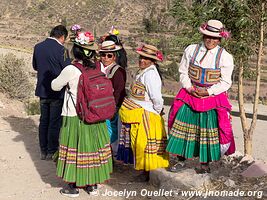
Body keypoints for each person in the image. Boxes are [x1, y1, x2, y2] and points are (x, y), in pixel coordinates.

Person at [167, 19, 236, 174]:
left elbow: (225, 82)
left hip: (211, 96)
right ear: (203, 36)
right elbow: (183, 71)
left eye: (214, 38)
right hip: (190, 93)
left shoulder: (225, 57)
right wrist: (189, 87)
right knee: (184, 126)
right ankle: (181, 159)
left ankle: (204, 164)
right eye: (207, 36)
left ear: (219, 39)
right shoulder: (191, 50)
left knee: (207, 129)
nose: (210, 40)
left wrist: (208, 92)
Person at [51, 26, 112, 197]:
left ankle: (72, 187)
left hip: (75, 116)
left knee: (75, 149)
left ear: (76, 51)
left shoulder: (71, 69)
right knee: (92, 150)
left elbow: (55, 86)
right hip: (95, 116)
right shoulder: (97, 69)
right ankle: (92, 185)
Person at [118, 44, 169, 181]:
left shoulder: (151, 75)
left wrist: (156, 112)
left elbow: (156, 98)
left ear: (153, 61)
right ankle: (143, 171)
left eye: (146, 59)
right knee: (137, 143)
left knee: (143, 144)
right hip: (139, 113)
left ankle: (146, 172)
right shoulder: (143, 73)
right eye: (141, 57)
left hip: (146, 115)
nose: (142, 60)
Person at [32, 25, 71, 160]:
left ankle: (43, 150)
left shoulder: (38, 47)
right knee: (54, 122)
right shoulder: (62, 50)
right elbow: (67, 70)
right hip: (57, 92)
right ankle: (51, 150)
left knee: (44, 120)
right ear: (62, 37)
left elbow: (35, 66)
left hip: (43, 90)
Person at [99, 40, 127, 158]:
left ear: (114, 57)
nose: (106, 58)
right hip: (101, 106)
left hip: (111, 106)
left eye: (109, 55)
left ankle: (110, 155)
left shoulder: (118, 71)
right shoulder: (99, 68)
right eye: (103, 55)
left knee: (112, 131)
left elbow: (119, 90)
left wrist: (114, 107)